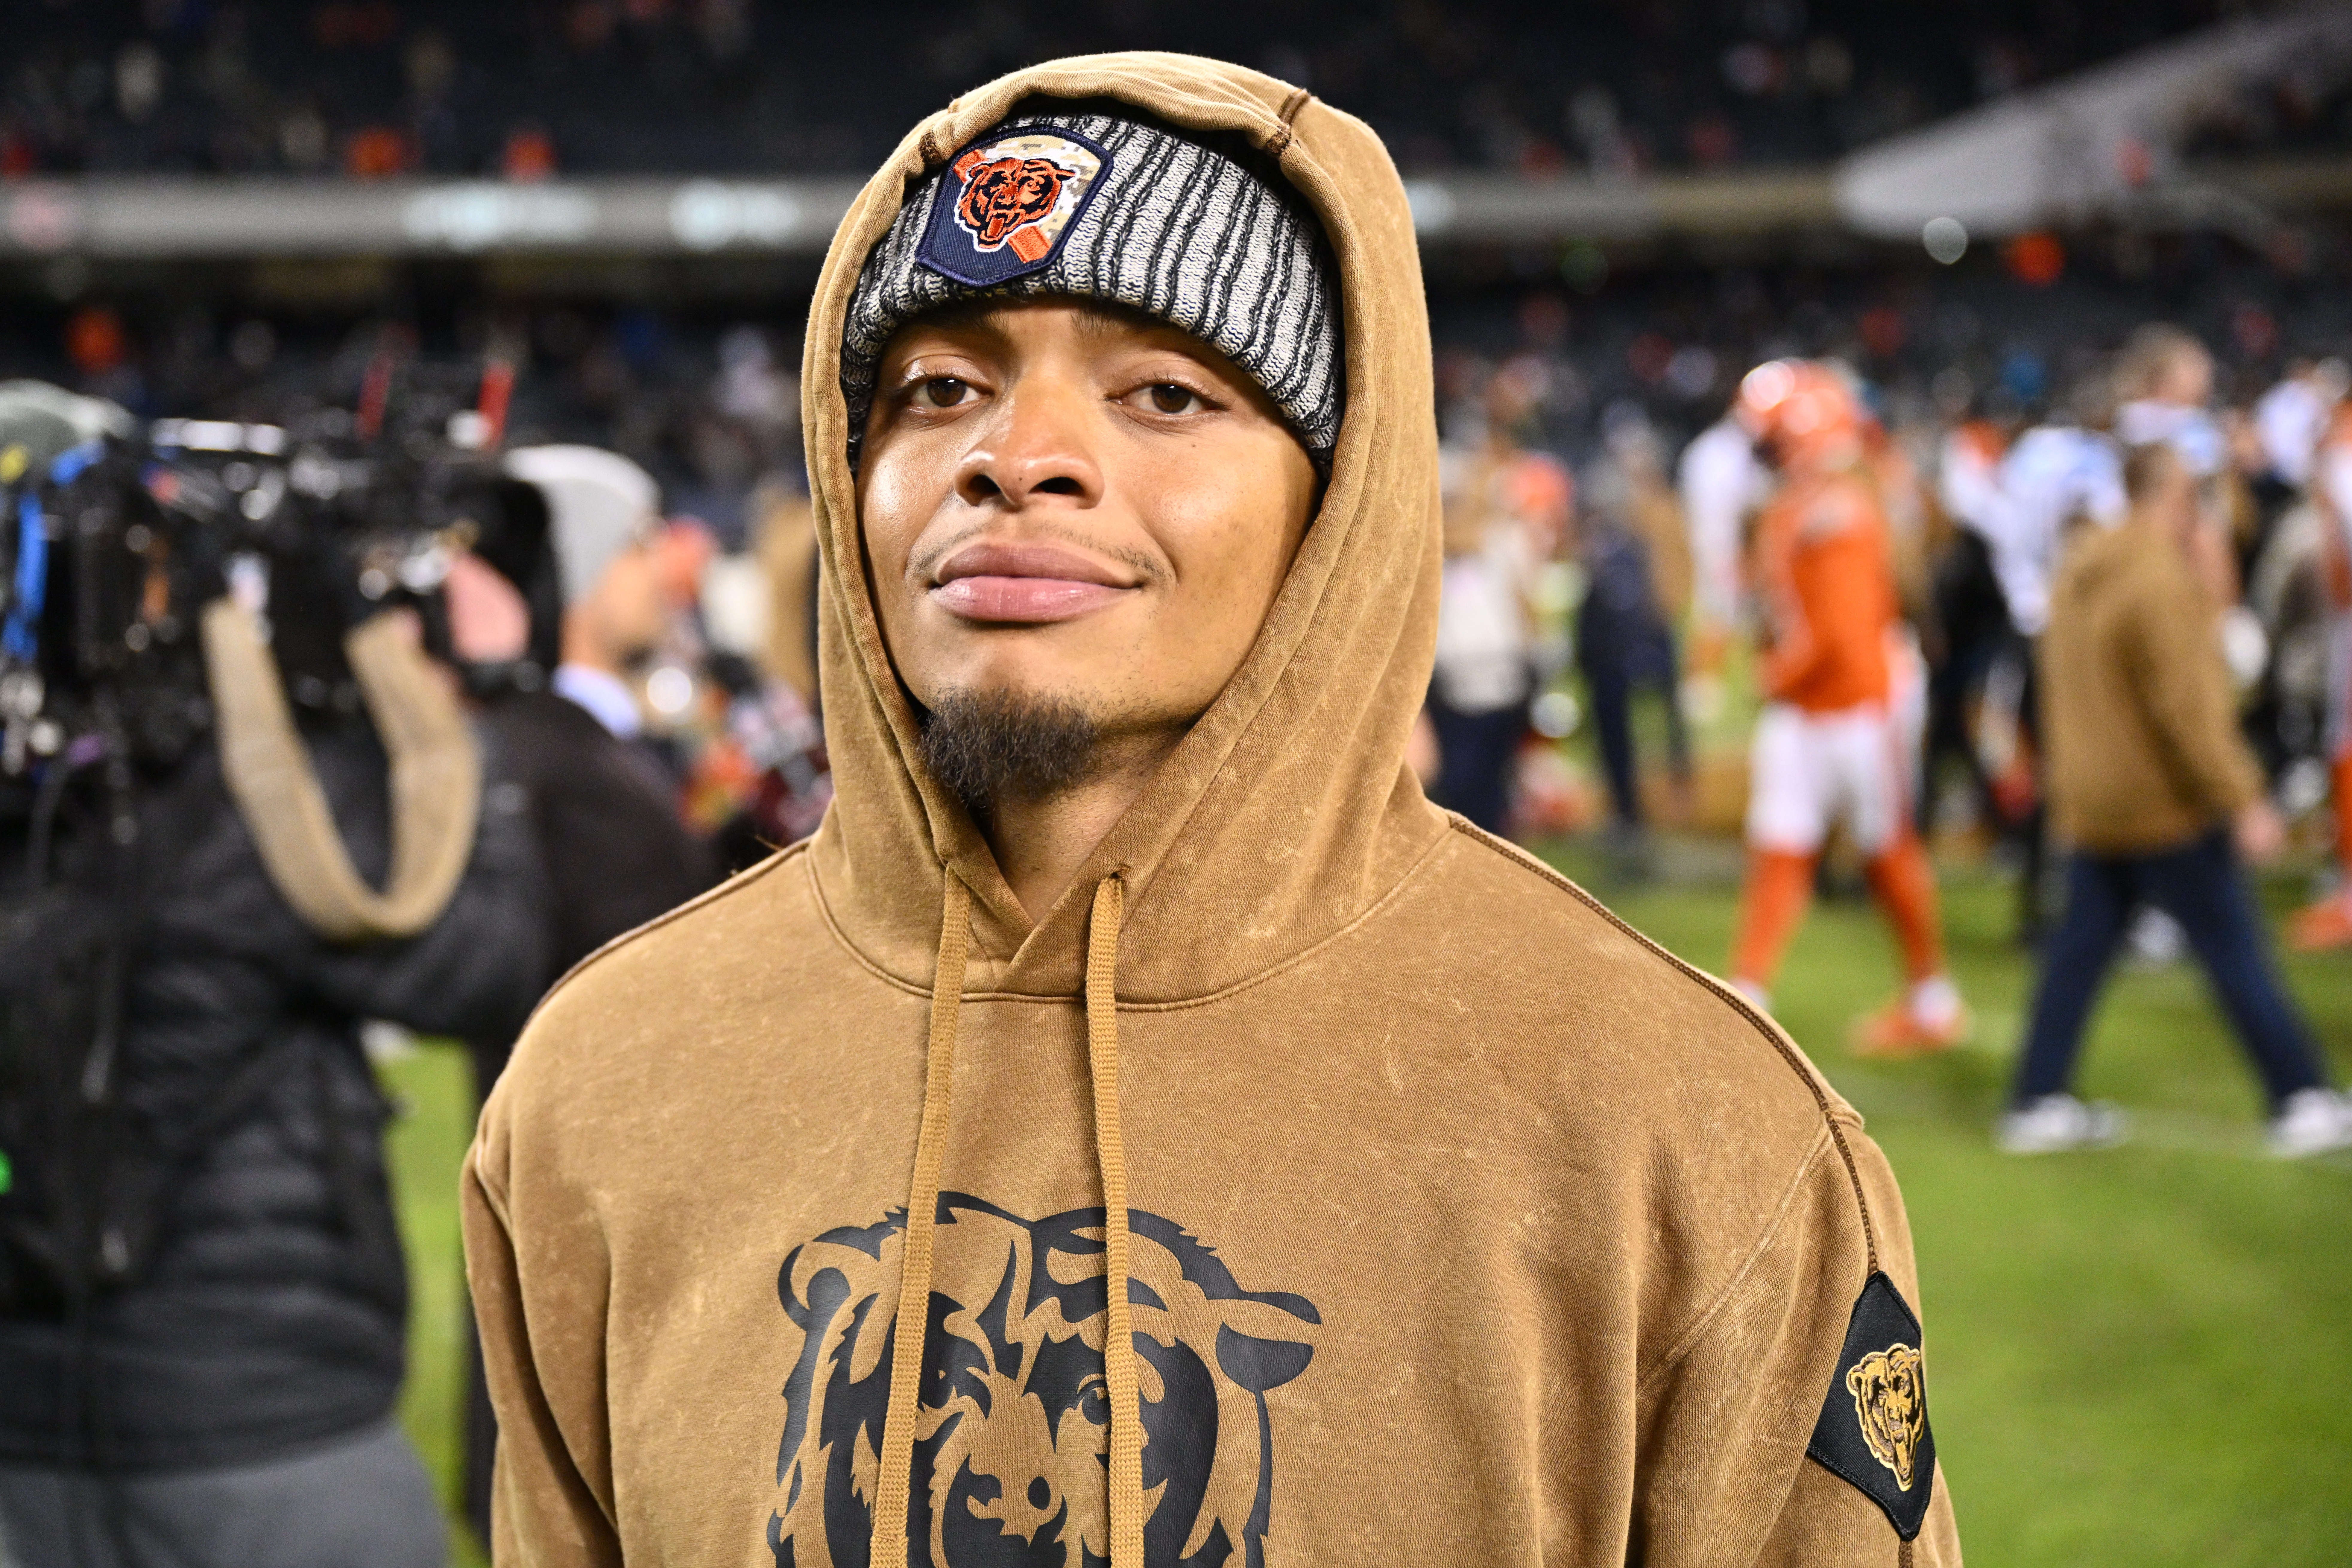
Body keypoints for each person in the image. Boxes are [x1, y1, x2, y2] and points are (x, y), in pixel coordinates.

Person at [465, 57, 1959, 1564]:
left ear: (1340, 500)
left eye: (1165, 392)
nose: (1015, 456)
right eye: (938, 388)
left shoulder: (1680, 1129)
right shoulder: (604, 1085)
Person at [0, 592, 547, 1564]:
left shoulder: (43, 781)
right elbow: (486, 966)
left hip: (35, 1411)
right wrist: (449, 713)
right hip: (267, 1411)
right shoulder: (256, 795)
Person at [441, 448, 720, 1546]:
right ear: (583, 570)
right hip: (600, 1220)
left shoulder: (574, 746)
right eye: (642, 546)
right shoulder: (541, 759)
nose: (665, 571)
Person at [2002, 442, 2352, 1157]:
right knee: (2233, 947)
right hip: (2163, 806)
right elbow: (2187, 709)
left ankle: (2036, 1099)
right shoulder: (2158, 577)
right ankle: (2301, 1094)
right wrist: (2242, 797)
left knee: (2078, 954)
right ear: (2173, 494)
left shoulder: (2077, 568)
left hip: (2093, 803)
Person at [1727, 360, 1969, 1055]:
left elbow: (1837, 633)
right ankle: (1748, 992)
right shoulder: (1802, 505)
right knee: (1780, 842)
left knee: (1885, 848)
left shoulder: (1840, 509)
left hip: (1862, 704)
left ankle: (1932, 996)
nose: (1764, 454)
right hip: (1810, 705)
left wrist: (1774, 674)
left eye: (1772, 439)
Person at [1428, 360, 1561, 834]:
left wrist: (1539, 656)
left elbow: (1525, 591)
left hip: (1504, 667)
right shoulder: (1444, 483)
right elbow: (1452, 534)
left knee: (1497, 789)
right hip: (1453, 672)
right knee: (1457, 787)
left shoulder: (1507, 521)